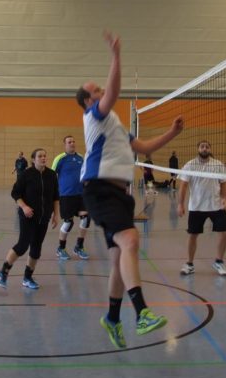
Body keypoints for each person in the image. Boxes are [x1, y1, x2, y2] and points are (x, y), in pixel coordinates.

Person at [76, 31, 183, 349]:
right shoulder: (93, 117)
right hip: (99, 189)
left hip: (121, 195)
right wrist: (116, 56)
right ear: (89, 101)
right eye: (96, 90)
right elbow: (114, 93)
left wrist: (172, 133)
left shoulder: (116, 127)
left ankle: (112, 318)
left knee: (118, 260)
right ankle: (142, 313)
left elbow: (144, 147)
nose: (101, 90)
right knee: (131, 241)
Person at [0, 148, 60, 290]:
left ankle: (27, 278)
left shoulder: (52, 175)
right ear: (33, 159)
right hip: (27, 216)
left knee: (36, 248)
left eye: (44, 156)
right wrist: (24, 207)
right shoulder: (26, 174)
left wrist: (56, 214)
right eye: (40, 156)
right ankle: (2, 272)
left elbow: (55, 196)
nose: (43, 158)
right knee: (23, 245)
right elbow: (15, 193)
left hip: (44, 218)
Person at [178, 141, 226, 277]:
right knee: (192, 235)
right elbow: (183, 185)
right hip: (196, 206)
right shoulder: (190, 165)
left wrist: (224, 198)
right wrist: (180, 204)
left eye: (207, 146)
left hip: (216, 205)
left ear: (210, 149)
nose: (205, 148)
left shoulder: (218, 165)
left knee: (223, 233)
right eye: (202, 146)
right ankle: (189, 264)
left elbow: (224, 182)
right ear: (198, 149)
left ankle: (219, 261)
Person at [52, 136, 89, 260]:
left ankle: (79, 246)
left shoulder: (81, 158)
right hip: (66, 195)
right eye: (69, 142)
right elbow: (51, 176)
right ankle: (61, 248)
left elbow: (85, 174)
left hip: (80, 194)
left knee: (86, 218)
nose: (72, 143)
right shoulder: (60, 158)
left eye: (73, 141)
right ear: (65, 144)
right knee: (69, 222)